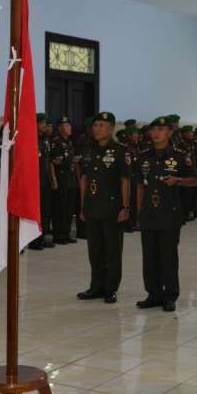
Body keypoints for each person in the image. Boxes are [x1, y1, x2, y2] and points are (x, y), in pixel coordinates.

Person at [135, 116, 197, 312]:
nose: (156, 133)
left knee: (168, 257)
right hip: (149, 213)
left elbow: (195, 180)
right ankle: (153, 294)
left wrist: (178, 180)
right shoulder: (143, 156)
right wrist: (138, 211)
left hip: (169, 213)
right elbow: (140, 185)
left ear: (170, 133)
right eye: (154, 129)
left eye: (161, 129)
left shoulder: (180, 156)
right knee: (149, 257)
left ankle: (170, 295)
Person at [77, 112, 131, 304]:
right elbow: (84, 179)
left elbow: (125, 180)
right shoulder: (89, 150)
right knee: (95, 250)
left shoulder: (120, 151)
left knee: (112, 250)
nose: (97, 129)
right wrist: (82, 205)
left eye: (101, 125)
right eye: (95, 125)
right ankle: (96, 286)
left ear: (111, 128)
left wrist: (125, 206)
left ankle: (110, 288)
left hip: (112, 209)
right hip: (92, 207)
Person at [29, 113, 57, 250]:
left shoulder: (45, 140)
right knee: (36, 212)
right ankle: (34, 241)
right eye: (42, 123)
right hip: (34, 180)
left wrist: (52, 178)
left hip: (45, 179)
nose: (45, 126)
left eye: (45, 123)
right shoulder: (30, 139)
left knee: (45, 211)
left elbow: (48, 160)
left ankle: (42, 237)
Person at [50, 117, 78, 245]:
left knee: (69, 208)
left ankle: (66, 233)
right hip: (61, 179)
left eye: (69, 125)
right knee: (60, 208)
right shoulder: (56, 142)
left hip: (70, 179)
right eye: (66, 126)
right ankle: (58, 235)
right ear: (60, 128)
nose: (69, 128)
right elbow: (53, 161)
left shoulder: (69, 142)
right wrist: (54, 179)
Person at [124, 125, 141, 232]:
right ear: (129, 136)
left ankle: (134, 222)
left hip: (137, 177)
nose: (137, 135)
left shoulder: (136, 147)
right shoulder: (127, 148)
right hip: (131, 178)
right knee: (130, 201)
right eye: (135, 134)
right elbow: (128, 165)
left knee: (135, 201)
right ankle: (128, 224)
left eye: (137, 133)